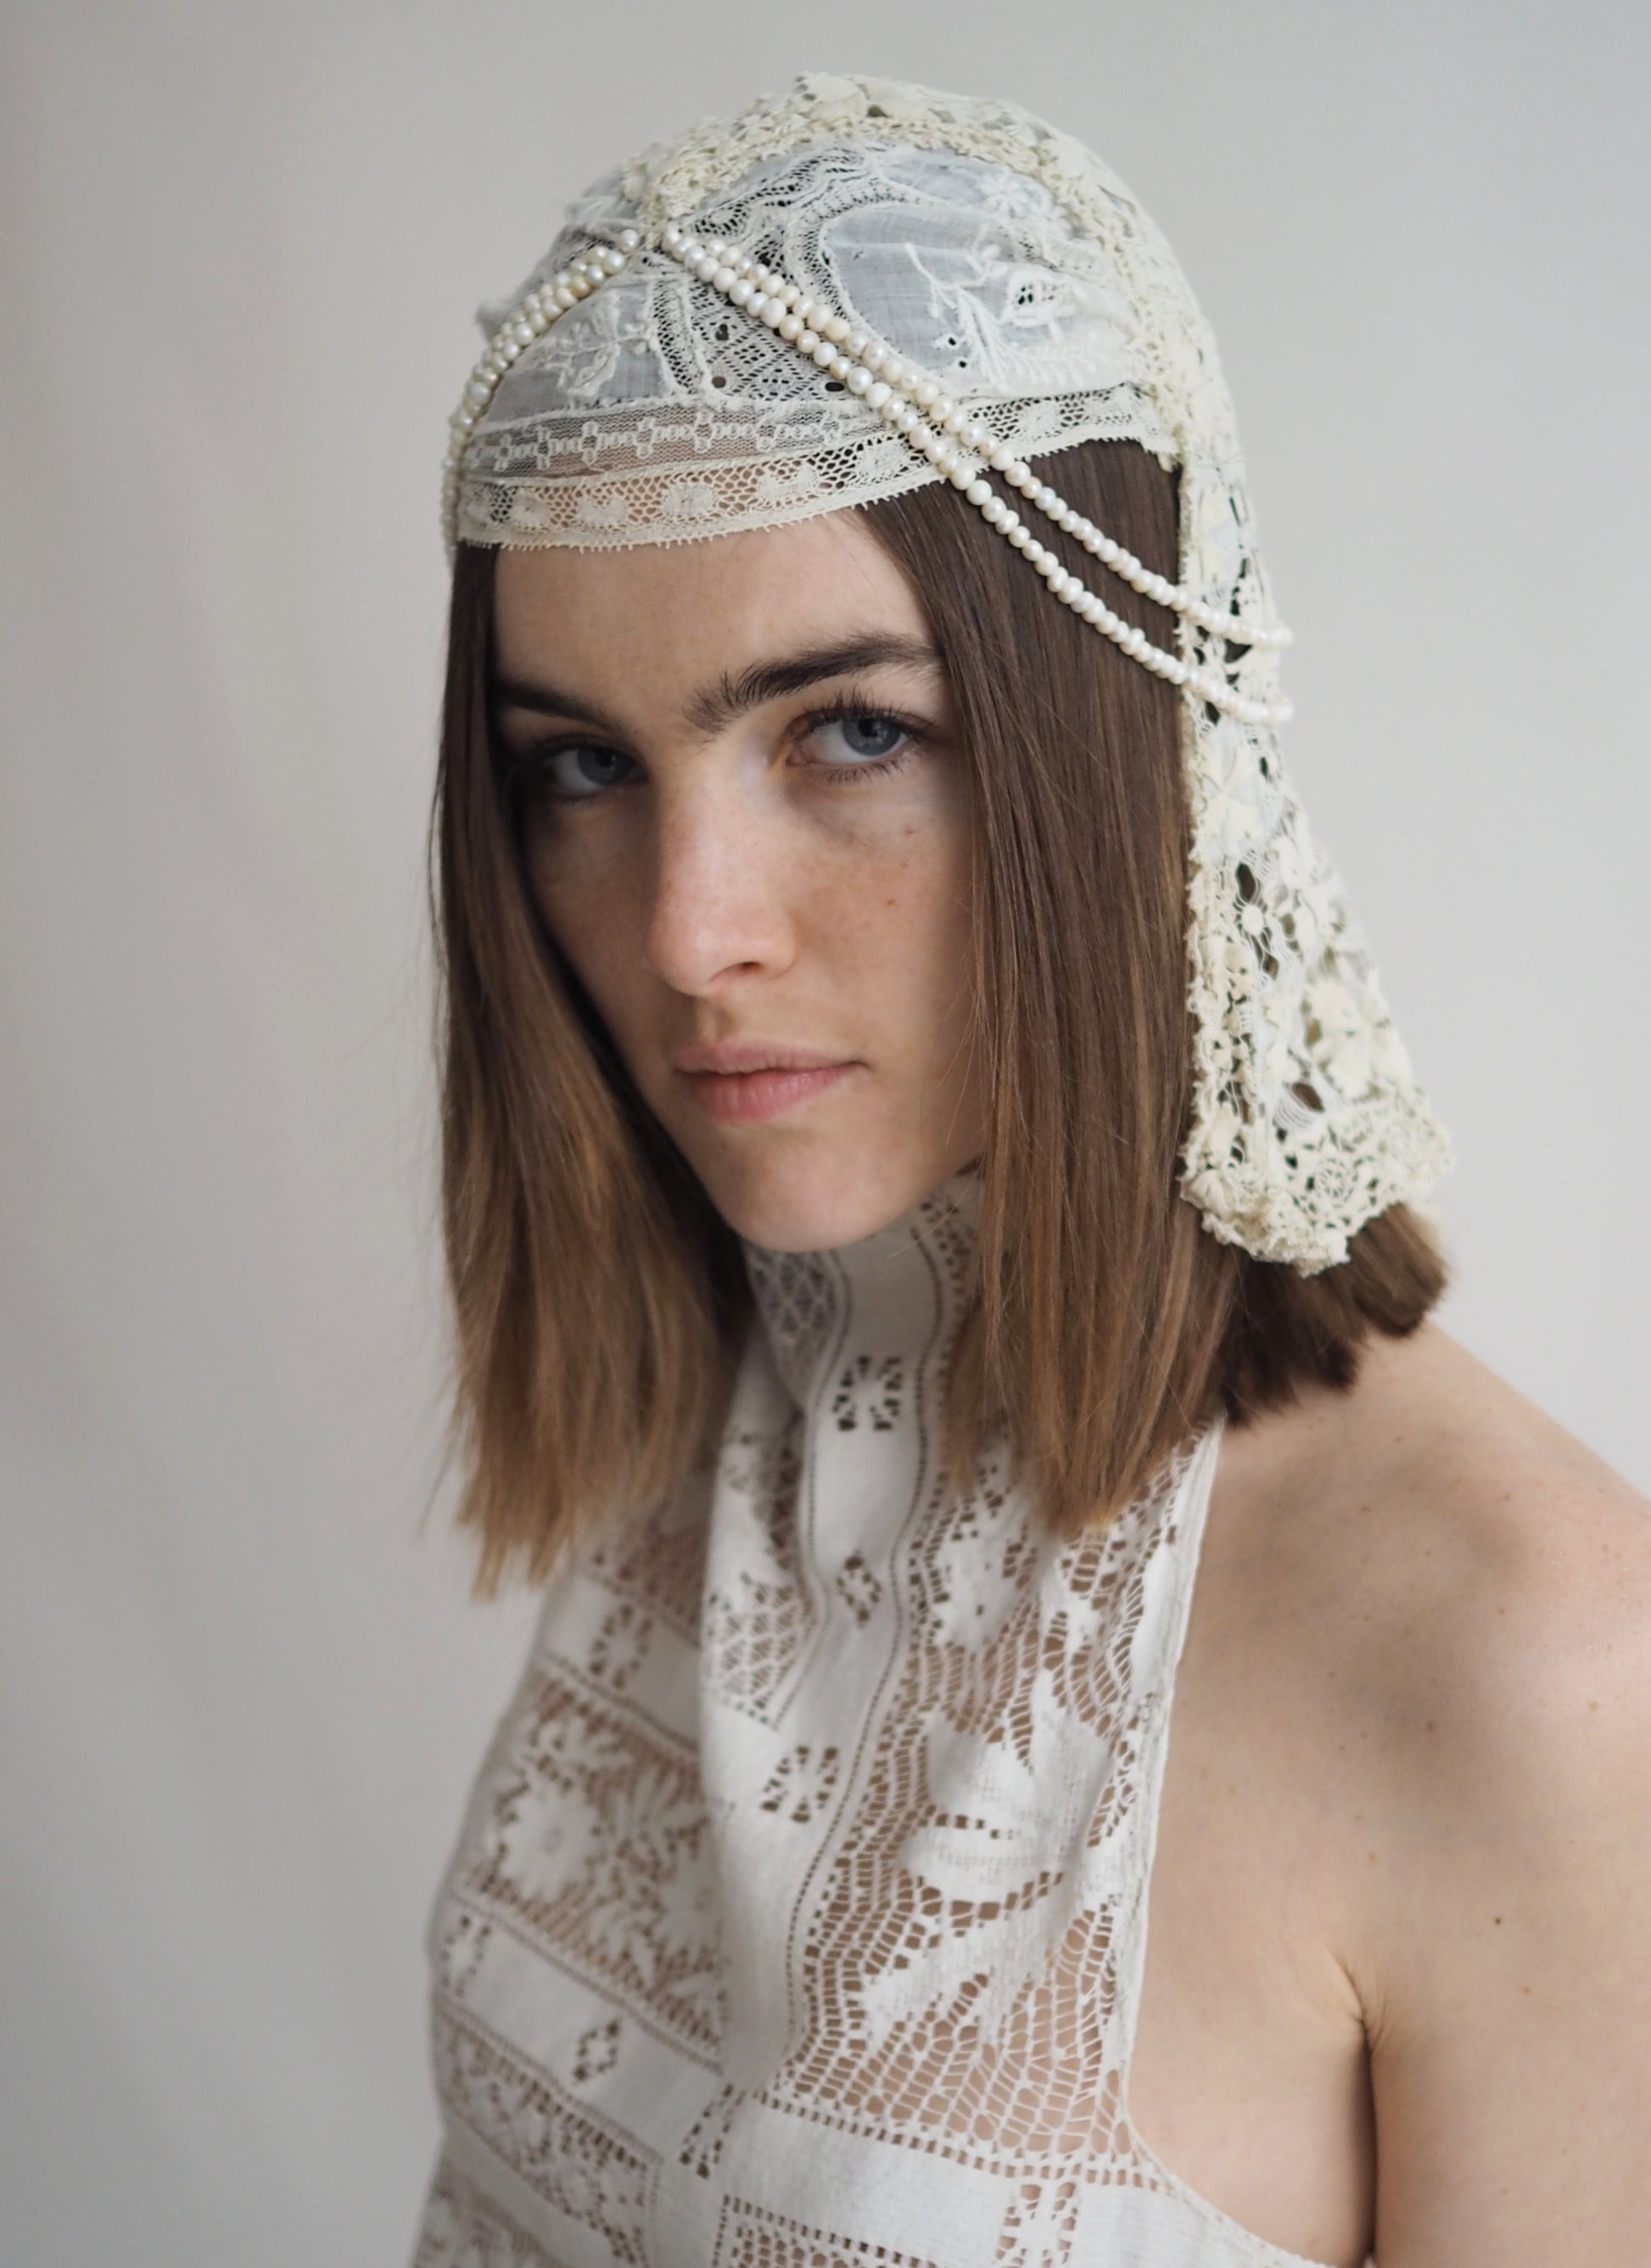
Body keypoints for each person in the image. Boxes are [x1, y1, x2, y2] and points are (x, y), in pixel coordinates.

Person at [411, 75, 1651, 2268]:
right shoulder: (723, 1410)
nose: (688, 933)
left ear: (1127, 743)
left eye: (850, 732)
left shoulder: (1534, 1659)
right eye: (582, 767)